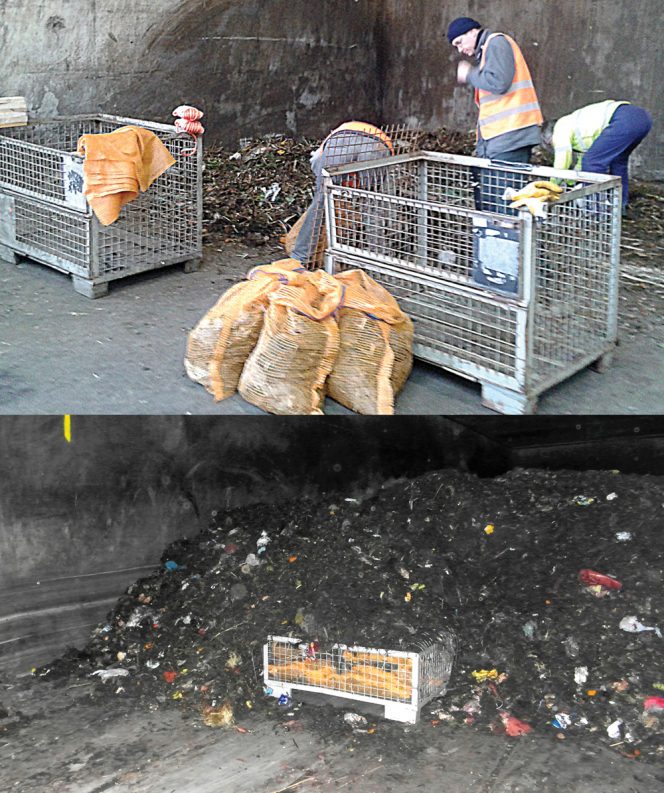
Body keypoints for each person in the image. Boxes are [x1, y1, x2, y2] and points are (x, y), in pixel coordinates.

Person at [447, 16, 543, 212]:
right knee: (494, 200)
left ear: (472, 31)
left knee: (505, 203)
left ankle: (505, 240)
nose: (460, 49)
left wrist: (469, 74)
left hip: (511, 135)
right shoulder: (486, 53)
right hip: (500, 138)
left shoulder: (497, 43)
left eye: (459, 42)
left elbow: (499, 82)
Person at [290, 121, 393, 266]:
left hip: (341, 142)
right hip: (380, 145)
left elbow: (319, 170)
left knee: (320, 201)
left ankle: (300, 257)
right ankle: (378, 258)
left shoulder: (318, 157)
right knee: (371, 204)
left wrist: (324, 188)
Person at [541, 100, 652, 212]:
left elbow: (562, 161)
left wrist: (552, 187)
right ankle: (619, 207)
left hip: (623, 120)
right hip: (641, 119)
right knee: (617, 162)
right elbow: (581, 163)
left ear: (549, 138)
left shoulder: (560, 128)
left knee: (592, 163)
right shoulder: (577, 128)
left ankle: (596, 210)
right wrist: (571, 183)